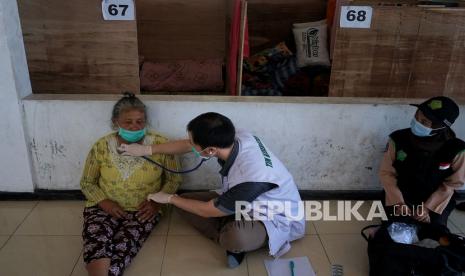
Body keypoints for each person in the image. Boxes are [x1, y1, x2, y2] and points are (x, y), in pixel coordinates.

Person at [118, 112, 305, 268]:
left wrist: (169, 199)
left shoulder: (252, 177)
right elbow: (185, 144)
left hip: (276, 217)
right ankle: (229, 219)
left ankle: (233, 243)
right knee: (185, 203)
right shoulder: (236, 136)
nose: (189, 144)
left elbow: (207, 210)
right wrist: (146, 150)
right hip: (244, 201)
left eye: (194, 143)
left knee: (232, 237)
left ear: (210, 151)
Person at [80, 92, 181, 276]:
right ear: (115, 122)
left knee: (125, 246)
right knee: (97, 241)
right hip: (103, 206)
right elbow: (87, 182)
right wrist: (104, 203)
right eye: (128, 122)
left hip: (143, 209)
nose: (134, 127)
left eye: (140, 121)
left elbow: (174, 179)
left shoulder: (161, 144)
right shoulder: (101, 146)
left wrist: (156, 203)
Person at [379, 96, 465, 226]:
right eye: (416, 117)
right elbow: (386, 173)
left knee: (434, 230)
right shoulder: (397, 139)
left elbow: (452, 184)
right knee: (396, 227)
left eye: (424, 122)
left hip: (436, 198)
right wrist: (398, 202)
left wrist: (428, 208)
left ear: (440, 127)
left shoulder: (456, 149)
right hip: (401, 195)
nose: (417, 122)